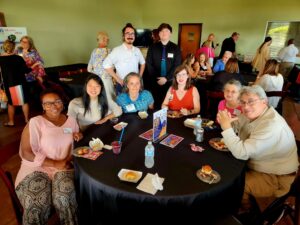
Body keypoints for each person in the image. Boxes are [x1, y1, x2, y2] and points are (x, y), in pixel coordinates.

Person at [216, 85, 299, 214]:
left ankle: (244, 210)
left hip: (277, 176)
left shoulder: (271, 125)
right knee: (225, 168)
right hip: (260, 164)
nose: (245, 106)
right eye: (242, 102)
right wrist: (230, 123)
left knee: (237, 184)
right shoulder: (253, 114)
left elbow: (241, 153)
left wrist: (226, 128)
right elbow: (240, 126)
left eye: (251, 101)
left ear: (264, 101)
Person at [15, 88, 83, 225]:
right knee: (37, 204)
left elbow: (76, 139)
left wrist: (78, 136)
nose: (53, 106)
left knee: (64, 198)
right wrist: (55, 163)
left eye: (57, 101)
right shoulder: (35, 122)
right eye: (48, 103)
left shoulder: (71, 121)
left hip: (64, 167)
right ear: (43, 106)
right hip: (36, 168)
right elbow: (27, 152)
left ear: (62, 103)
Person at [145, 23, 181, 109]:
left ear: (170, 33)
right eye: (161, 31)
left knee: (170, 104)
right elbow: (149, 64)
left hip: (170, 81)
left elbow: (177, 65)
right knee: (156, 104)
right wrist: (157, 78)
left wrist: (166, 78)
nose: (164, 33)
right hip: (155, 82)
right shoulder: (152, 47)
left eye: (166, 31)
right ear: (159, 33)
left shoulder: (175, 48)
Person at [103, 23, 145, 94]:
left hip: (136, 85)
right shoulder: (116, 50)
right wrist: (118, 79)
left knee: (137, 104)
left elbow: (143, 63)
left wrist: (139, 77)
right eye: (127, 33)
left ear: (134, 36)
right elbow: (105, 64)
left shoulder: (137, 50)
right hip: (123, 85)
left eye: (132, 34)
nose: (130, 36)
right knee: (122, 105)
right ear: (123, 36)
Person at [0, 39, 31, 126]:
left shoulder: (0, 59)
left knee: (11, 104)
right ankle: (26, 120)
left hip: (8, 85)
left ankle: (11, 121)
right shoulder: (18, 58)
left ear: (3, 47)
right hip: (20, 83)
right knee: (24, 102)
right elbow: (26, 70)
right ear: (13, 48)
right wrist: (33, 66)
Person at [17, 35, 46, 105]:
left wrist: (40, 75)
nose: (23, 43)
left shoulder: (33, 52)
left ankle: (38, 109)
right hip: (20, 76)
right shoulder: (18, 51)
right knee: (24, 95)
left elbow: (40, 63)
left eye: (25, 42)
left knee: (34, 93)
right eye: (21, 41)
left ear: (29, 43)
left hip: (32, 76)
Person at [87, 31, 116, 101]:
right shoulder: (110, 51)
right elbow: (114, 66)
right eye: (104, 39)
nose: (106, 40)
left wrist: (98, 74)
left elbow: (89, 69)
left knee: (100, 100)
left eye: (107, 39)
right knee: (110, 100)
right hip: (107, 81)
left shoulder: (94, 51)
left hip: (97, 81)